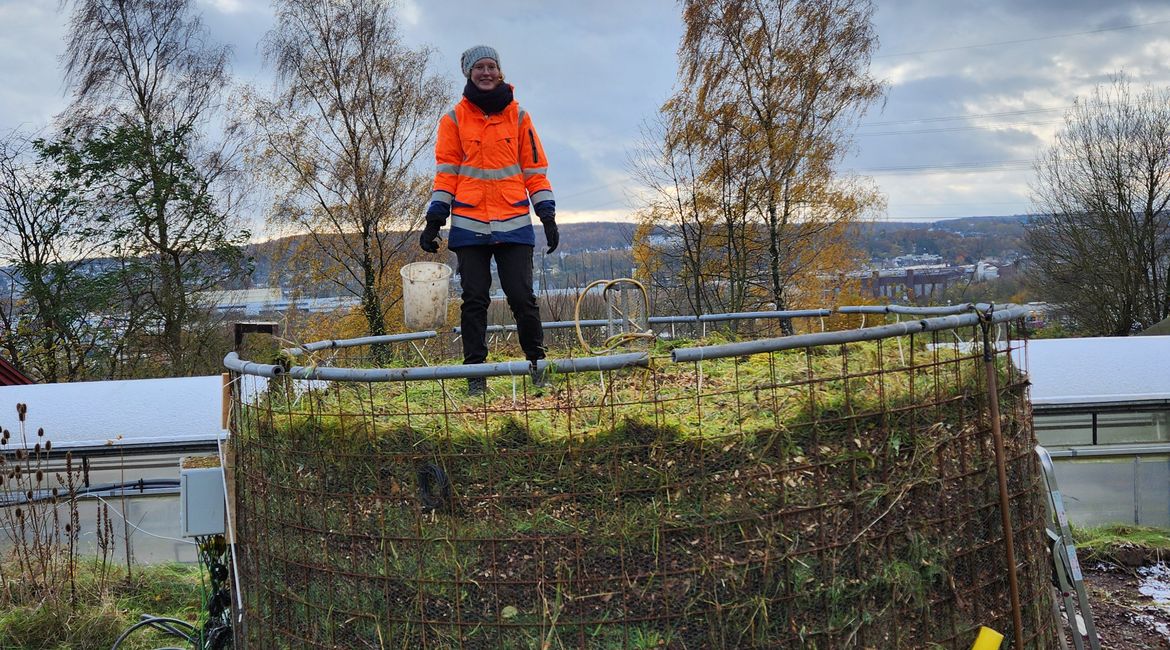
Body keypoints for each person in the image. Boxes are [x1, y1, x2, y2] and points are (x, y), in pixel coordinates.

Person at [420, 45, 558, 396]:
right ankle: (476, 377)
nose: (485, 72)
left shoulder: (520, 117)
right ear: (468, 73)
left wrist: (547, 215)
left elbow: (535, 172)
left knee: (522, 297)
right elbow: (446, 174)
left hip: (513, 221)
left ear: (500, 72)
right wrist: (434, 219)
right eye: (478, 67)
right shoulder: (453, 120)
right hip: (469, 224)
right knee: (474, 300)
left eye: (491, 66)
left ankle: (537, 365)